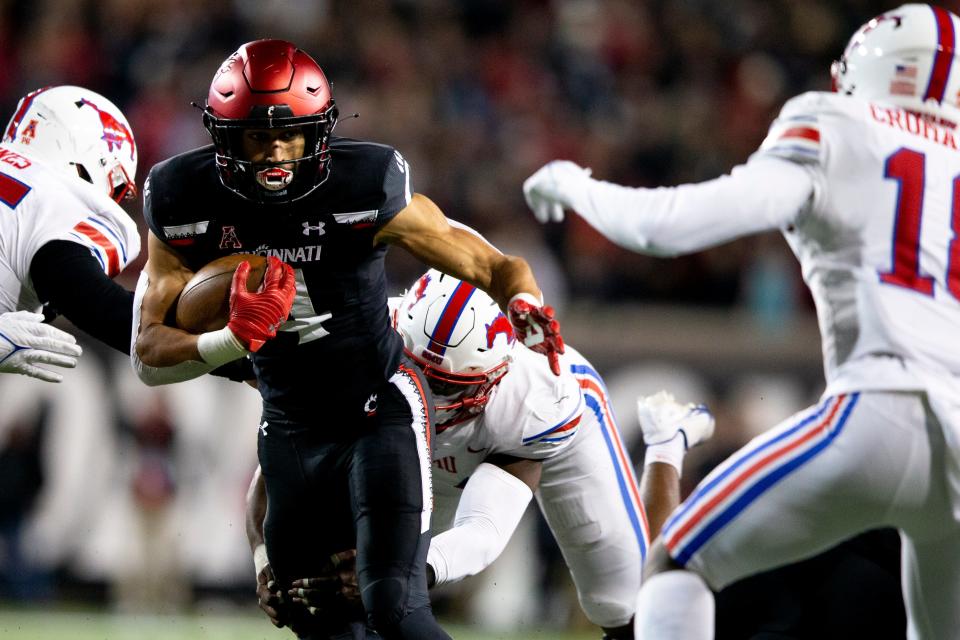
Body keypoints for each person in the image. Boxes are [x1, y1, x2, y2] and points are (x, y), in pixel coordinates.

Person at [523, 4, 960, 638]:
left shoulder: (837, 121)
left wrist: (575, 185)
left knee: (676, 560)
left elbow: (665, 226)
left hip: (880, 407)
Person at [131, 40, 564, 640]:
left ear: (322, 131)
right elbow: (149, 354)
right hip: (288, 423)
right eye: (258, 135)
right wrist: (232, 340)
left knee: (392, 604)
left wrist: (526, 304)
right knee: (315, 615)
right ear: (223, 137)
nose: (277, 151)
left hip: (378, 408)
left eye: (293, 134)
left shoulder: (364, 184)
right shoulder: (183, 197)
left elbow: (494, 266)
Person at [245, 270, 715, 640]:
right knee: (355, 602)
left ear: (492, 377)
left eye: (446, 385)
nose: (425, 392)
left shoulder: (533, 399)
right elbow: (279, 473)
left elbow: (485, 529)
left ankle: (666, 442)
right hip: (419, 449)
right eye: (415, 370)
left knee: (630, 611)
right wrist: (266, 563)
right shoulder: (349, 348)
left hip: (529, 441)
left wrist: (401, 571)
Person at [0, 85, 142, 380]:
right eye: (115, 189)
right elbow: (111, 314)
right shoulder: (53, 201)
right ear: (92, 161)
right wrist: (238, 347)